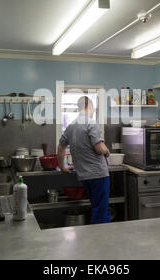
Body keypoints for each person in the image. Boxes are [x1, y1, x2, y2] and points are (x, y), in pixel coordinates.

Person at [57, 96, 111, 224]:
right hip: (98, 174)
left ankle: (94, 239)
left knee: (96, 208)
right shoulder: (91, 123)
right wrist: (107, 150)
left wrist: (63, 166)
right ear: (90, 106)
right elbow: (99, 148)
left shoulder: (71, 126)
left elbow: (60, 147)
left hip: (84, 176)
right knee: (101, 212)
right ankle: (101, 241)